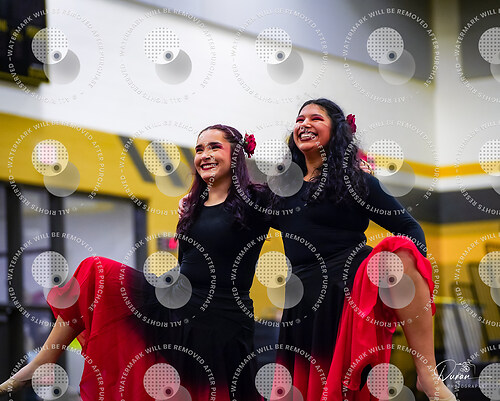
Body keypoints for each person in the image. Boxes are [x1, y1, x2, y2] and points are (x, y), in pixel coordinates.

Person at [0, 125, 269, 401]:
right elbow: (188, 262)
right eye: (199, 149)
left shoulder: (256, 200)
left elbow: (295, 206)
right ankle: (42, 362)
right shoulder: (193, 207)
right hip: (178, 306)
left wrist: (296, 147)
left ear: (236, 154)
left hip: (223, 320)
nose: (204, 155)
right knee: (95, 272)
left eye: (214, 147)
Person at [270, 98, 455, 401]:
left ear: (336, 130)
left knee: (401, 250)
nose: (305, 124)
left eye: (316, 118)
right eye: (300, 119)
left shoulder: (356, 182)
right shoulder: (280, 190)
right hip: (304, 301)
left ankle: (427, 375)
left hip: (351, 290)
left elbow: (410, 229)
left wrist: (393, 287)